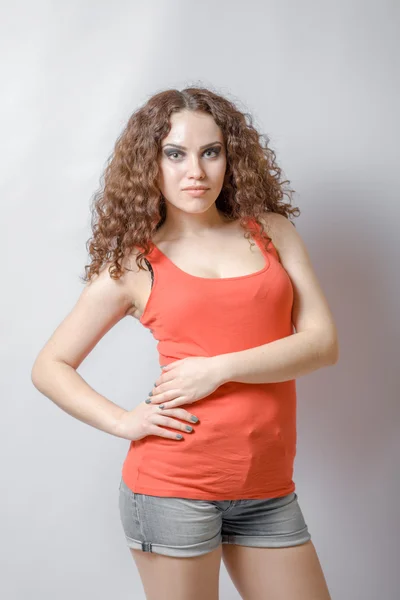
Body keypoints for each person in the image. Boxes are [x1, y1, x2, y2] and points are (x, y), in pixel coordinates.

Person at [31, 86, 337, 600]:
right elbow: (50, 365)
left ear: (229, 157)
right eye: (175, 153)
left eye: (210, 151)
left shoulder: (272, 232)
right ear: (150, 163)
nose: (195, 170)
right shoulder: (136, 264)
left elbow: (322, 344)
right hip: (173, 488)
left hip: (267, 489)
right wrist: (125, 421)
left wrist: (216, 369)